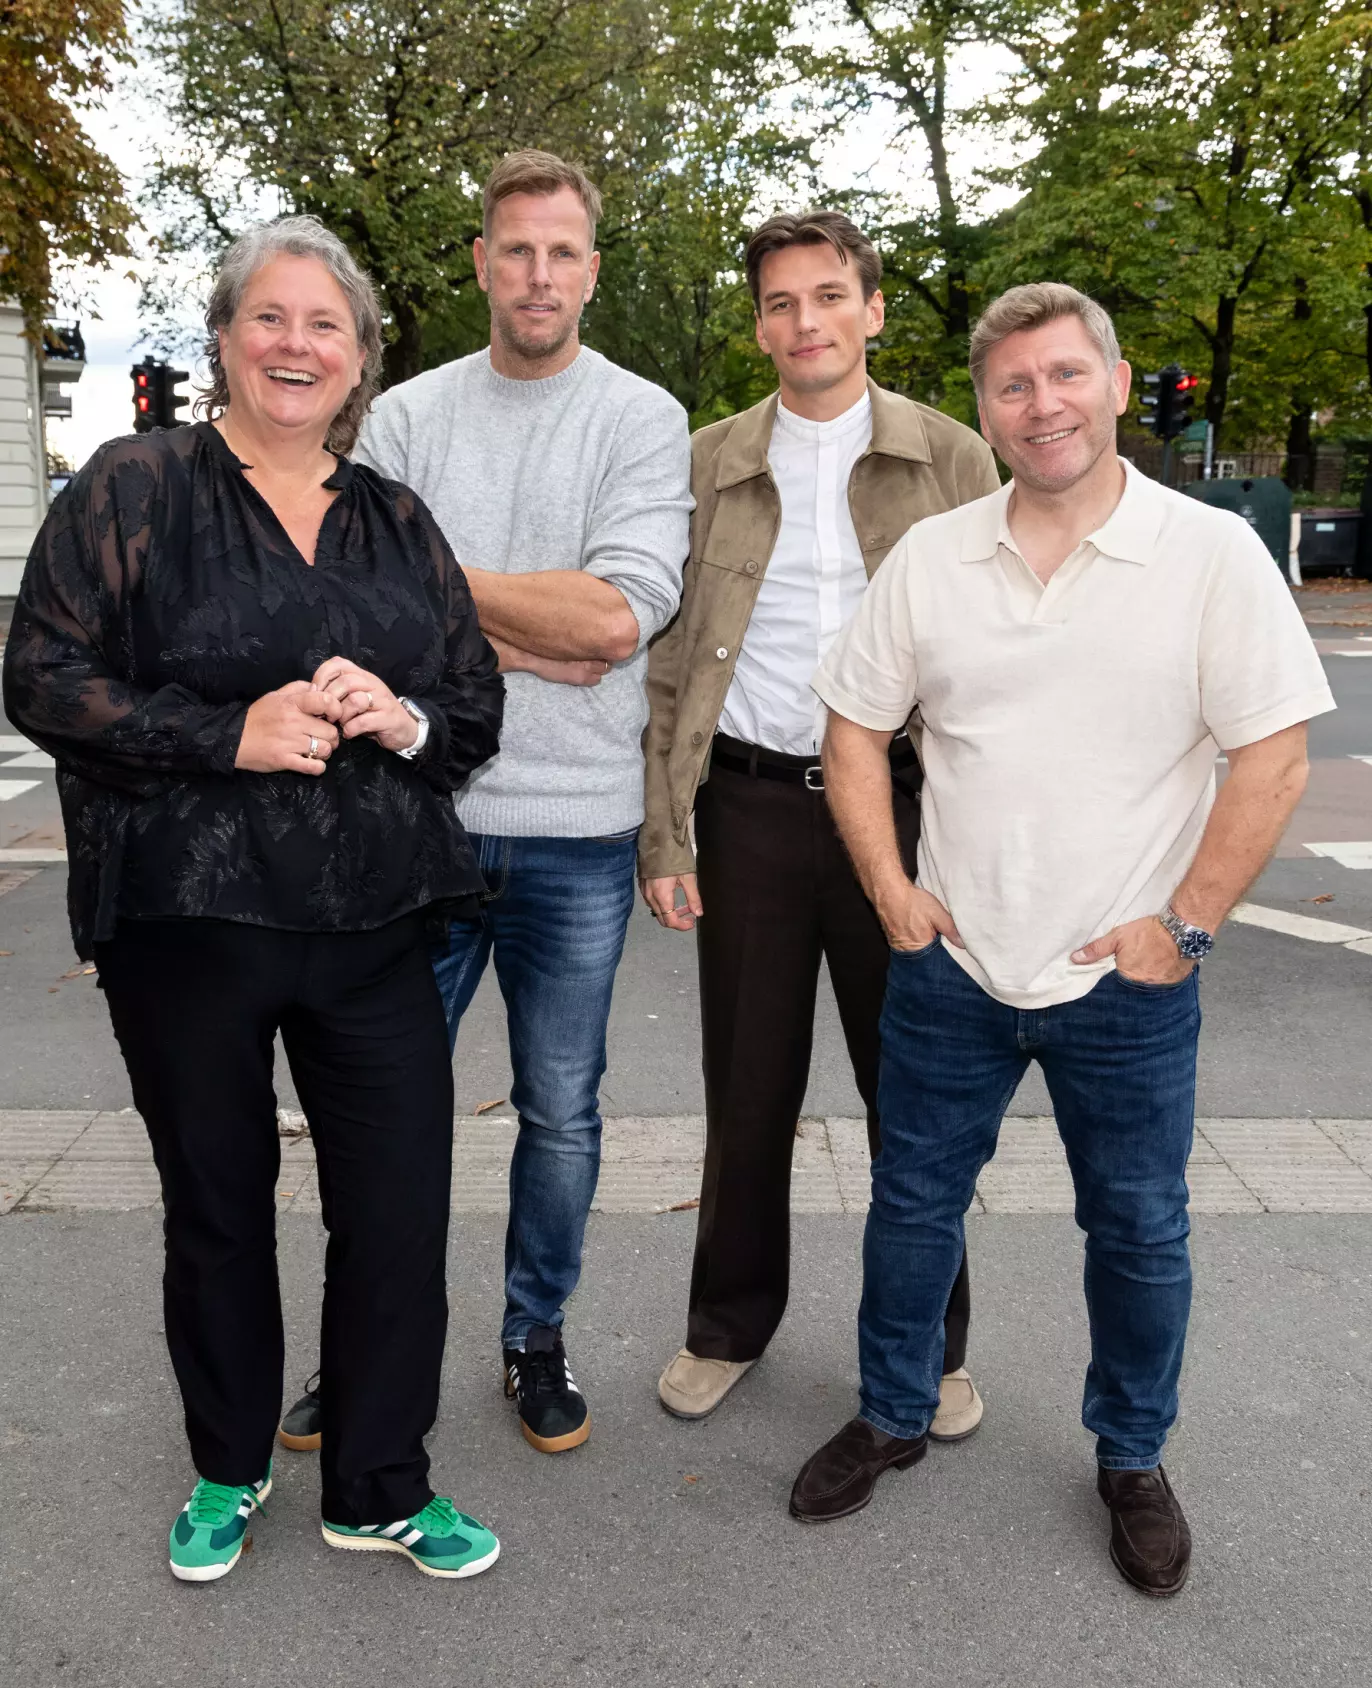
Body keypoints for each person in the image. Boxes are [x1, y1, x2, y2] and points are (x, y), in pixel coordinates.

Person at [791, 283, 1335, 1595]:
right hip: (954, 966)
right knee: (914, 1209)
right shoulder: (936, 555)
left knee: (1139, 1232)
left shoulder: (1208, 555)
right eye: (1013, 386)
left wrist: (1185, 926)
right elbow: (854, 729)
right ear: (988, 409)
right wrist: (889, 889)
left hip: (1124, 984)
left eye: (1064, 376)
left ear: (1114, 379)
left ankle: (1133, 1457)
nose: (1043, 406)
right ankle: (894, 1414)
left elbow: (1274, 759)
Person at [2, 217, 506, 1584]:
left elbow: (470, 710)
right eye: (269, 318)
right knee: (217, 1205)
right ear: (223, 338)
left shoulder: (397, 520)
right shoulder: (133, 486)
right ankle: (228, 1469)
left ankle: (381, 1485)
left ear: (359, 357)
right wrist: (224, 733)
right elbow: (41, 679)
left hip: (379, 927)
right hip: (191, 926)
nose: (296, 344)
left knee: (398, 1211)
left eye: (324, 324)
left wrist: (394, 713)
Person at [271, 150, 689, 1460]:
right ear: (481, 263)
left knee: (562, 1107)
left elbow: (617, 620)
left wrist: (454, 608)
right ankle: (367, 1354)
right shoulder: (405, 420)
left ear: (592, 269)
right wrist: (534, 632)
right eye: (517, 250)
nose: (539, 274)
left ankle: (533, 1340)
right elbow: (362, 610)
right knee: (383, 1104)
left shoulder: (641, 419)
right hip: (417, 818)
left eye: (563, 251)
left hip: (576, 833)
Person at [639, 211, 999, 1430]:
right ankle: (727, 1324)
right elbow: (668, 659)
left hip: (901, 814)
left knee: (919, 1095)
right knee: (746, 1089)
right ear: (759, 326)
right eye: (783, 302)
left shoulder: (950, 456)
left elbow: (999, 656)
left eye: (829, 295)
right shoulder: (706, 461)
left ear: (872, 309)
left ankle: (931, 1346)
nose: (807, 321)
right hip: (746, 804)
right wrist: (666, 829)